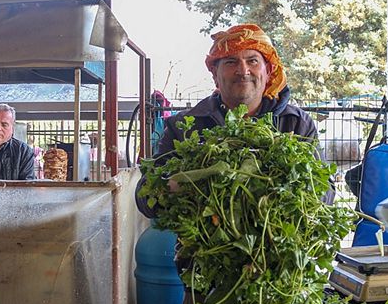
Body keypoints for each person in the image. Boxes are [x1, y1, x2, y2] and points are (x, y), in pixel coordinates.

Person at [136, 23, 331, 217]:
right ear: (215, 75)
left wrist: (282, 193)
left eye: (252, 61)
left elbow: (326, 191)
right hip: (205, 247)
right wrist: (183, 185)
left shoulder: (296, 124)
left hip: (275, 244)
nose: (243, 70)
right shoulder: (184, 125)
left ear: (268, 71)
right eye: (231, 62)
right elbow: (145, 198)